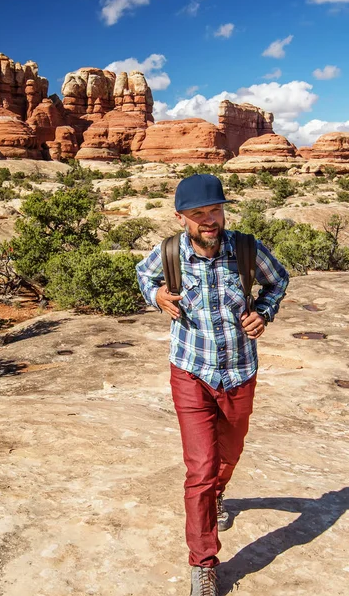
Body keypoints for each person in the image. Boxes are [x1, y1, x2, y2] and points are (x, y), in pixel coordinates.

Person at [136, 173, 289, 596]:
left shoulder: (245, 248)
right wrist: (158, 297)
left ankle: (218, 496)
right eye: (199, 213)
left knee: (230, 450)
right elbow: (143, 276)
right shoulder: (168, 252)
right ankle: (203, 563)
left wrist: (264, 311)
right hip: (190, 370)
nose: (209, 220)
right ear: (182, 216)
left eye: (215, 210)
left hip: (240, 369)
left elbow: (278, 280)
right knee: (200, 469)